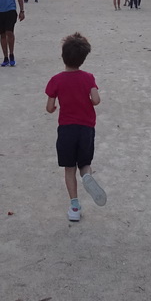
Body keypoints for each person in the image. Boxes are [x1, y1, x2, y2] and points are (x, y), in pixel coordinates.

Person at [45, 32, 106, 222]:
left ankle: (74, 206)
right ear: (83, 58)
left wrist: (54, 107)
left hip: (66, 129)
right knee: (84, 163)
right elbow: (96, 99)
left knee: (69, 168)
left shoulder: (56, 80)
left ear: (63, 55)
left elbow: (49, 107)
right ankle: (87, 176)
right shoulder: (88, 78)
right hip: (86, 128)